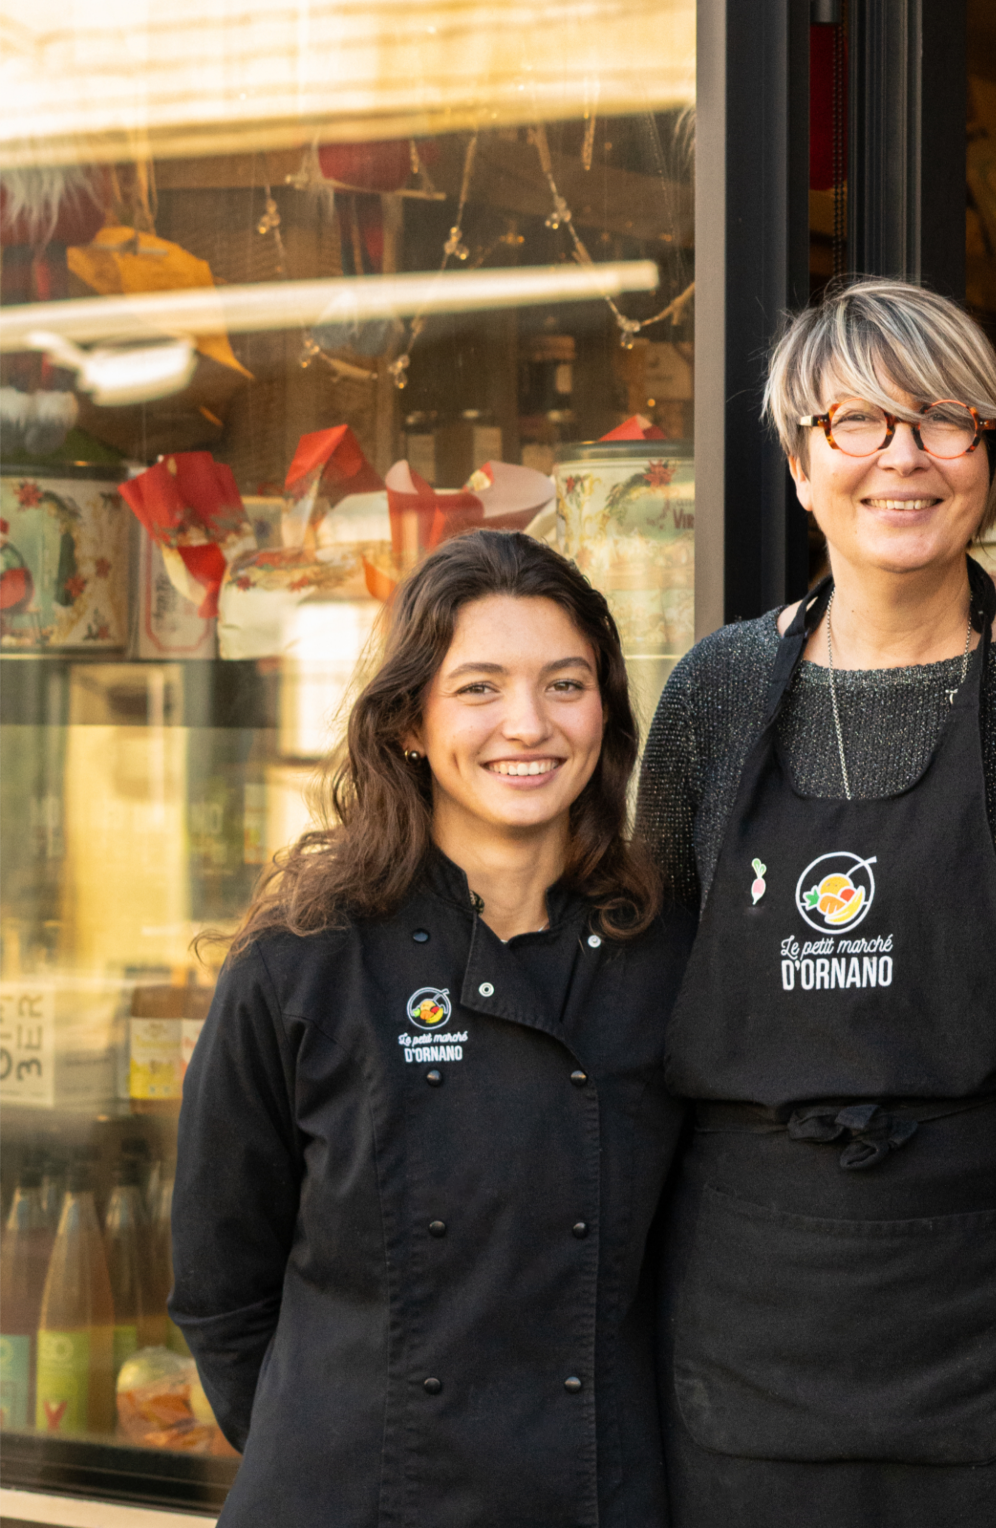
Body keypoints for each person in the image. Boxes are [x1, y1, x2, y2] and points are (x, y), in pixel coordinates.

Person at [638, 277, 996, 1524]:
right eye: (856, 422)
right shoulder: (714, 694)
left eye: (943, 418)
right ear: (799, 463)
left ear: (989, 452)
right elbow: (648, 976)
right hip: (753, 1307)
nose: (901, 457)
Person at [172, 531, 691, 1528]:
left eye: (565, 684)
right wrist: (335, 1444)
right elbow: (218, 1290)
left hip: (594, 1493)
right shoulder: (303, 960)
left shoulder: (667, 954)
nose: (528, 725)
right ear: (409, 720)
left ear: (605, 711)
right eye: (479, 688)